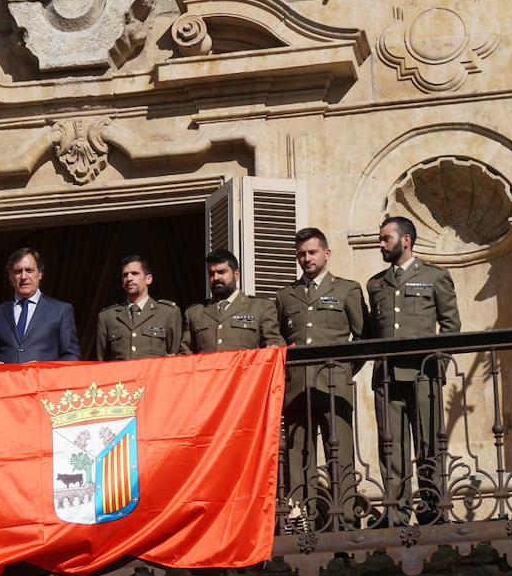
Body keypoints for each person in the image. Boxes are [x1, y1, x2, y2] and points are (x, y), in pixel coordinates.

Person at [366, 216, 460, 524]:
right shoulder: (376, 283)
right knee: (391, 445)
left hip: (423, 374)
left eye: (386, 239)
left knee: (428, 442)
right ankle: (396, 509)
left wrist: (438, 367)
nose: (381, 244)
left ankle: (433, 508)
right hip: (387, 376)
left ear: (406, 240)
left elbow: (451, 326)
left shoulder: (435, 277)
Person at [274, 229, 365, 527]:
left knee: (339, 453)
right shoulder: (285, 296)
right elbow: (279, 340)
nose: (306, 258)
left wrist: (344, 369)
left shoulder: (347, 290)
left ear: (326, 253)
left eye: (312, 252)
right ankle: (304, 520)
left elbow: (363, 337)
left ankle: (346, 520)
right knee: (300, 456)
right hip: (297, 388)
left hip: (334, 384)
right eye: (301, 254)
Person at [0, 247, 80, 364]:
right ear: (10, 276)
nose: (23, 277)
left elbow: (71, 357)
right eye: (18, 271)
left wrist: (43, 369)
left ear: (40, 274)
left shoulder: (61, 311)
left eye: (29, 270)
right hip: (6, 381)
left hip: (44, 381)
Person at [180, 249, 283, 353]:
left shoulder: (261, 308)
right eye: (211, 273)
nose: (215, 278)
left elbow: (274, 348)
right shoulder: (195, 313)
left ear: (236, 274)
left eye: (221, 272)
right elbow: (185, 356)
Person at [95, 255, 181, 361]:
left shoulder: (168, 313)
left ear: (148, 279)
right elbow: (101, 362)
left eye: (135, 273)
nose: (129, 278)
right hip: (121, 377)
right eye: (125, 275)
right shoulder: (107, 317)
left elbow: (175, 359)